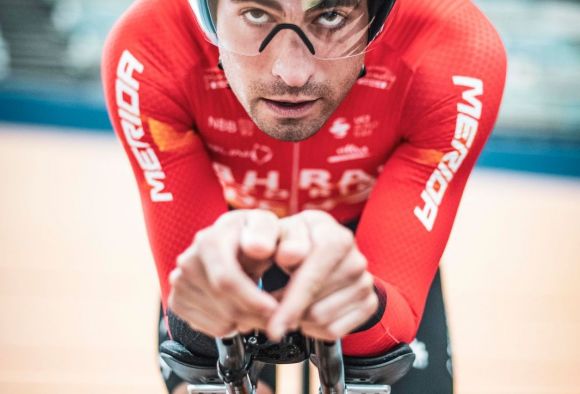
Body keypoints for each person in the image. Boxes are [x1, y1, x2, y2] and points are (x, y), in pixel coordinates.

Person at [101, 0, 506, 392]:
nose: (292, 73)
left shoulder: (455, 48)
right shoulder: (149, 44)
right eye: (257, 12)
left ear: (378, 14)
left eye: (331, 14)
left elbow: (385, 328)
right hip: (229, 235)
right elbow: (195, 324)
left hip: (368, 227)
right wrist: (201, 322)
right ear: (207, 13)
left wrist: (365, 306)